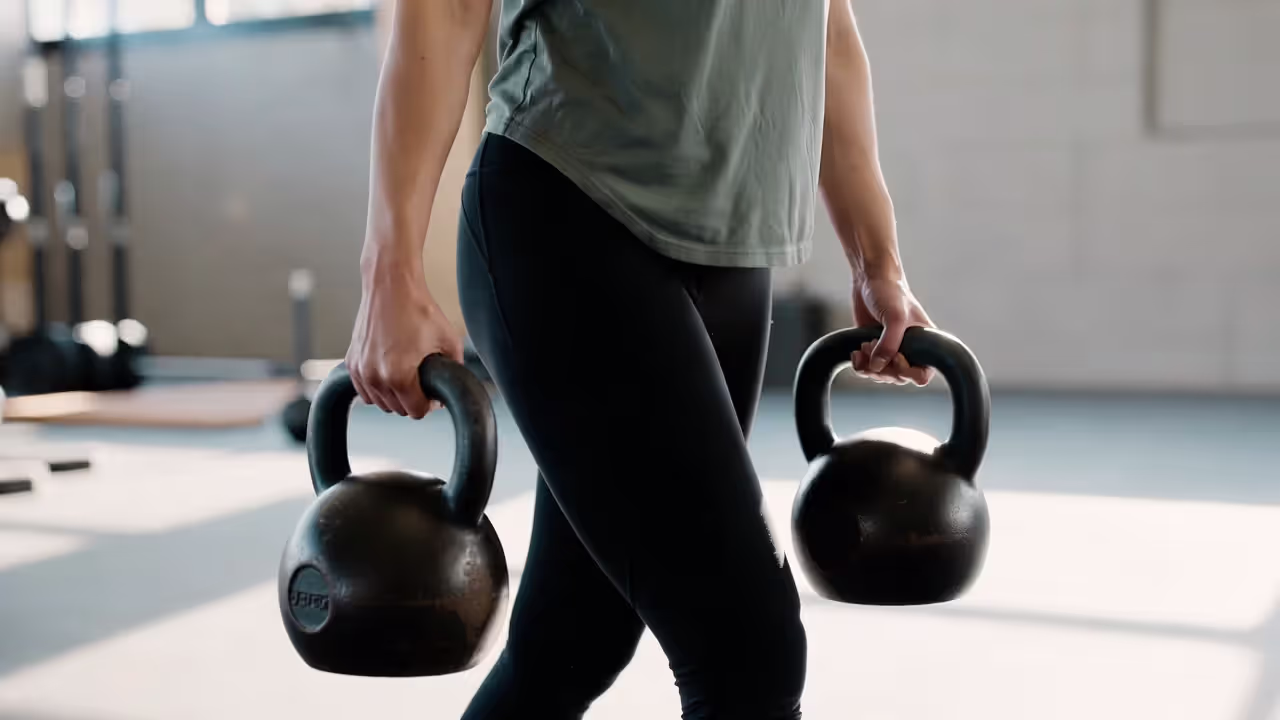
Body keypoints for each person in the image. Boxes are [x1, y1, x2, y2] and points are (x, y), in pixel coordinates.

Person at [345, 0, 936, 717]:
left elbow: (828, 30)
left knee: (578, 636)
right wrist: (391, 273)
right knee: (747, 650)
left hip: (732, 253)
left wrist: (879, 259)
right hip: (569, 211)